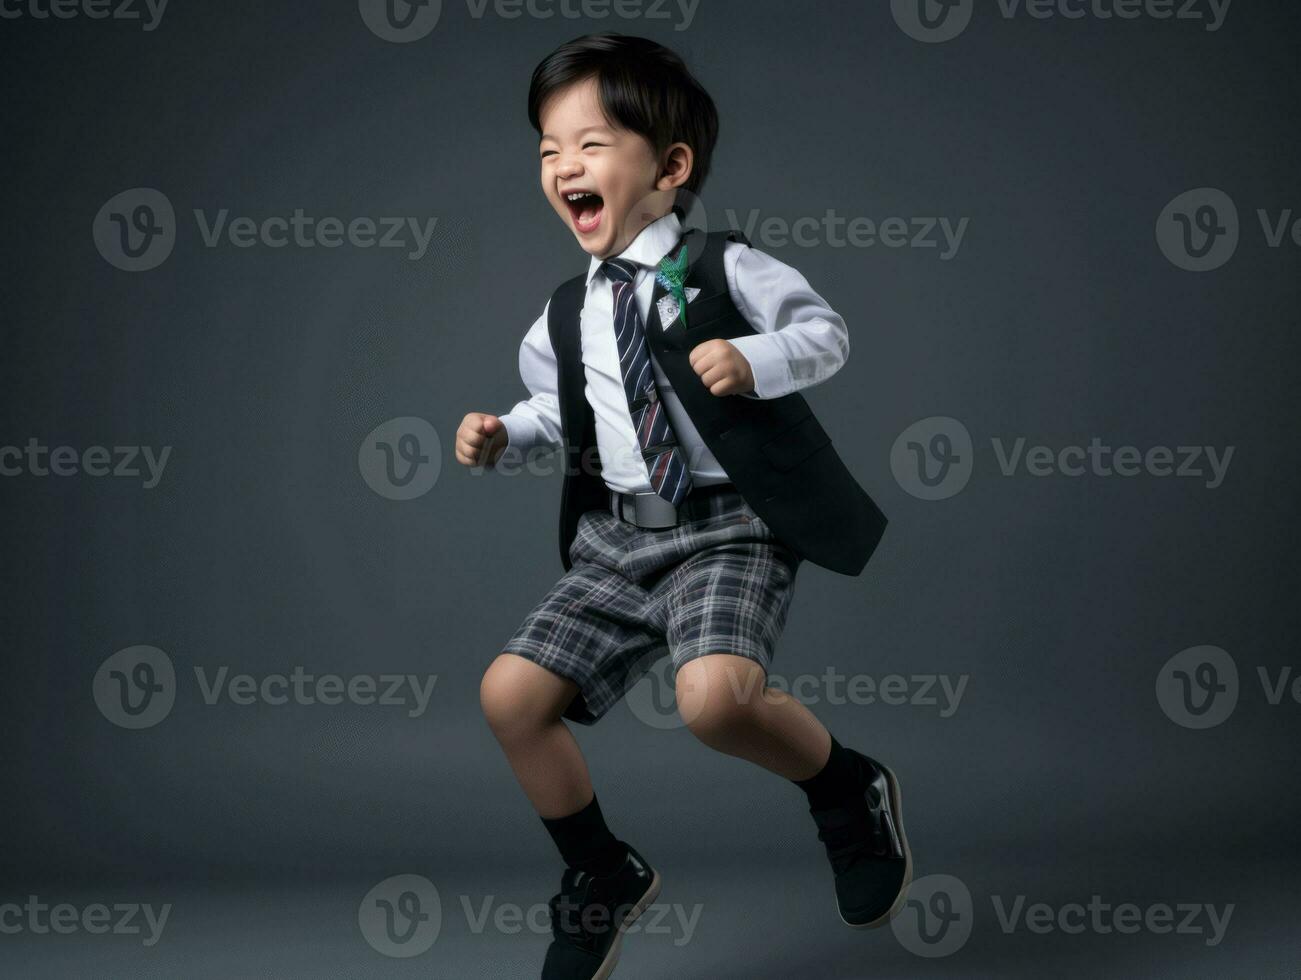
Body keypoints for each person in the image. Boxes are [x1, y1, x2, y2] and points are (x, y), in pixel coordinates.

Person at [456, 33, 910, 980]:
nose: (563, 166)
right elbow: (563, 404)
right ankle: (599, 870)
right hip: (620, 537)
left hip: (727, 527)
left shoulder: (721, 269)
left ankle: (845, 789)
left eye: (590, 143)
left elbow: (823, 332)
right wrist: (507, 430)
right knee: (510, 697)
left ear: (668, 166)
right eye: (547, 149)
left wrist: (757, 361)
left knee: (714, 703)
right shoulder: (563, 313)